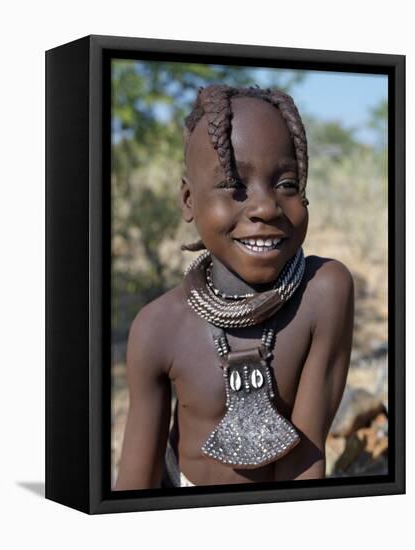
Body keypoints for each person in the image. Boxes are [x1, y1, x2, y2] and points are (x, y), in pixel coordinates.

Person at [114, 84, 354, 489]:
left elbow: (305, 460)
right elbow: (135, 483)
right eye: (234, 186)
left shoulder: (323, 292)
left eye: (287, 185)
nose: (264, 207)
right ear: (189, 200)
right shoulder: (158, 327)